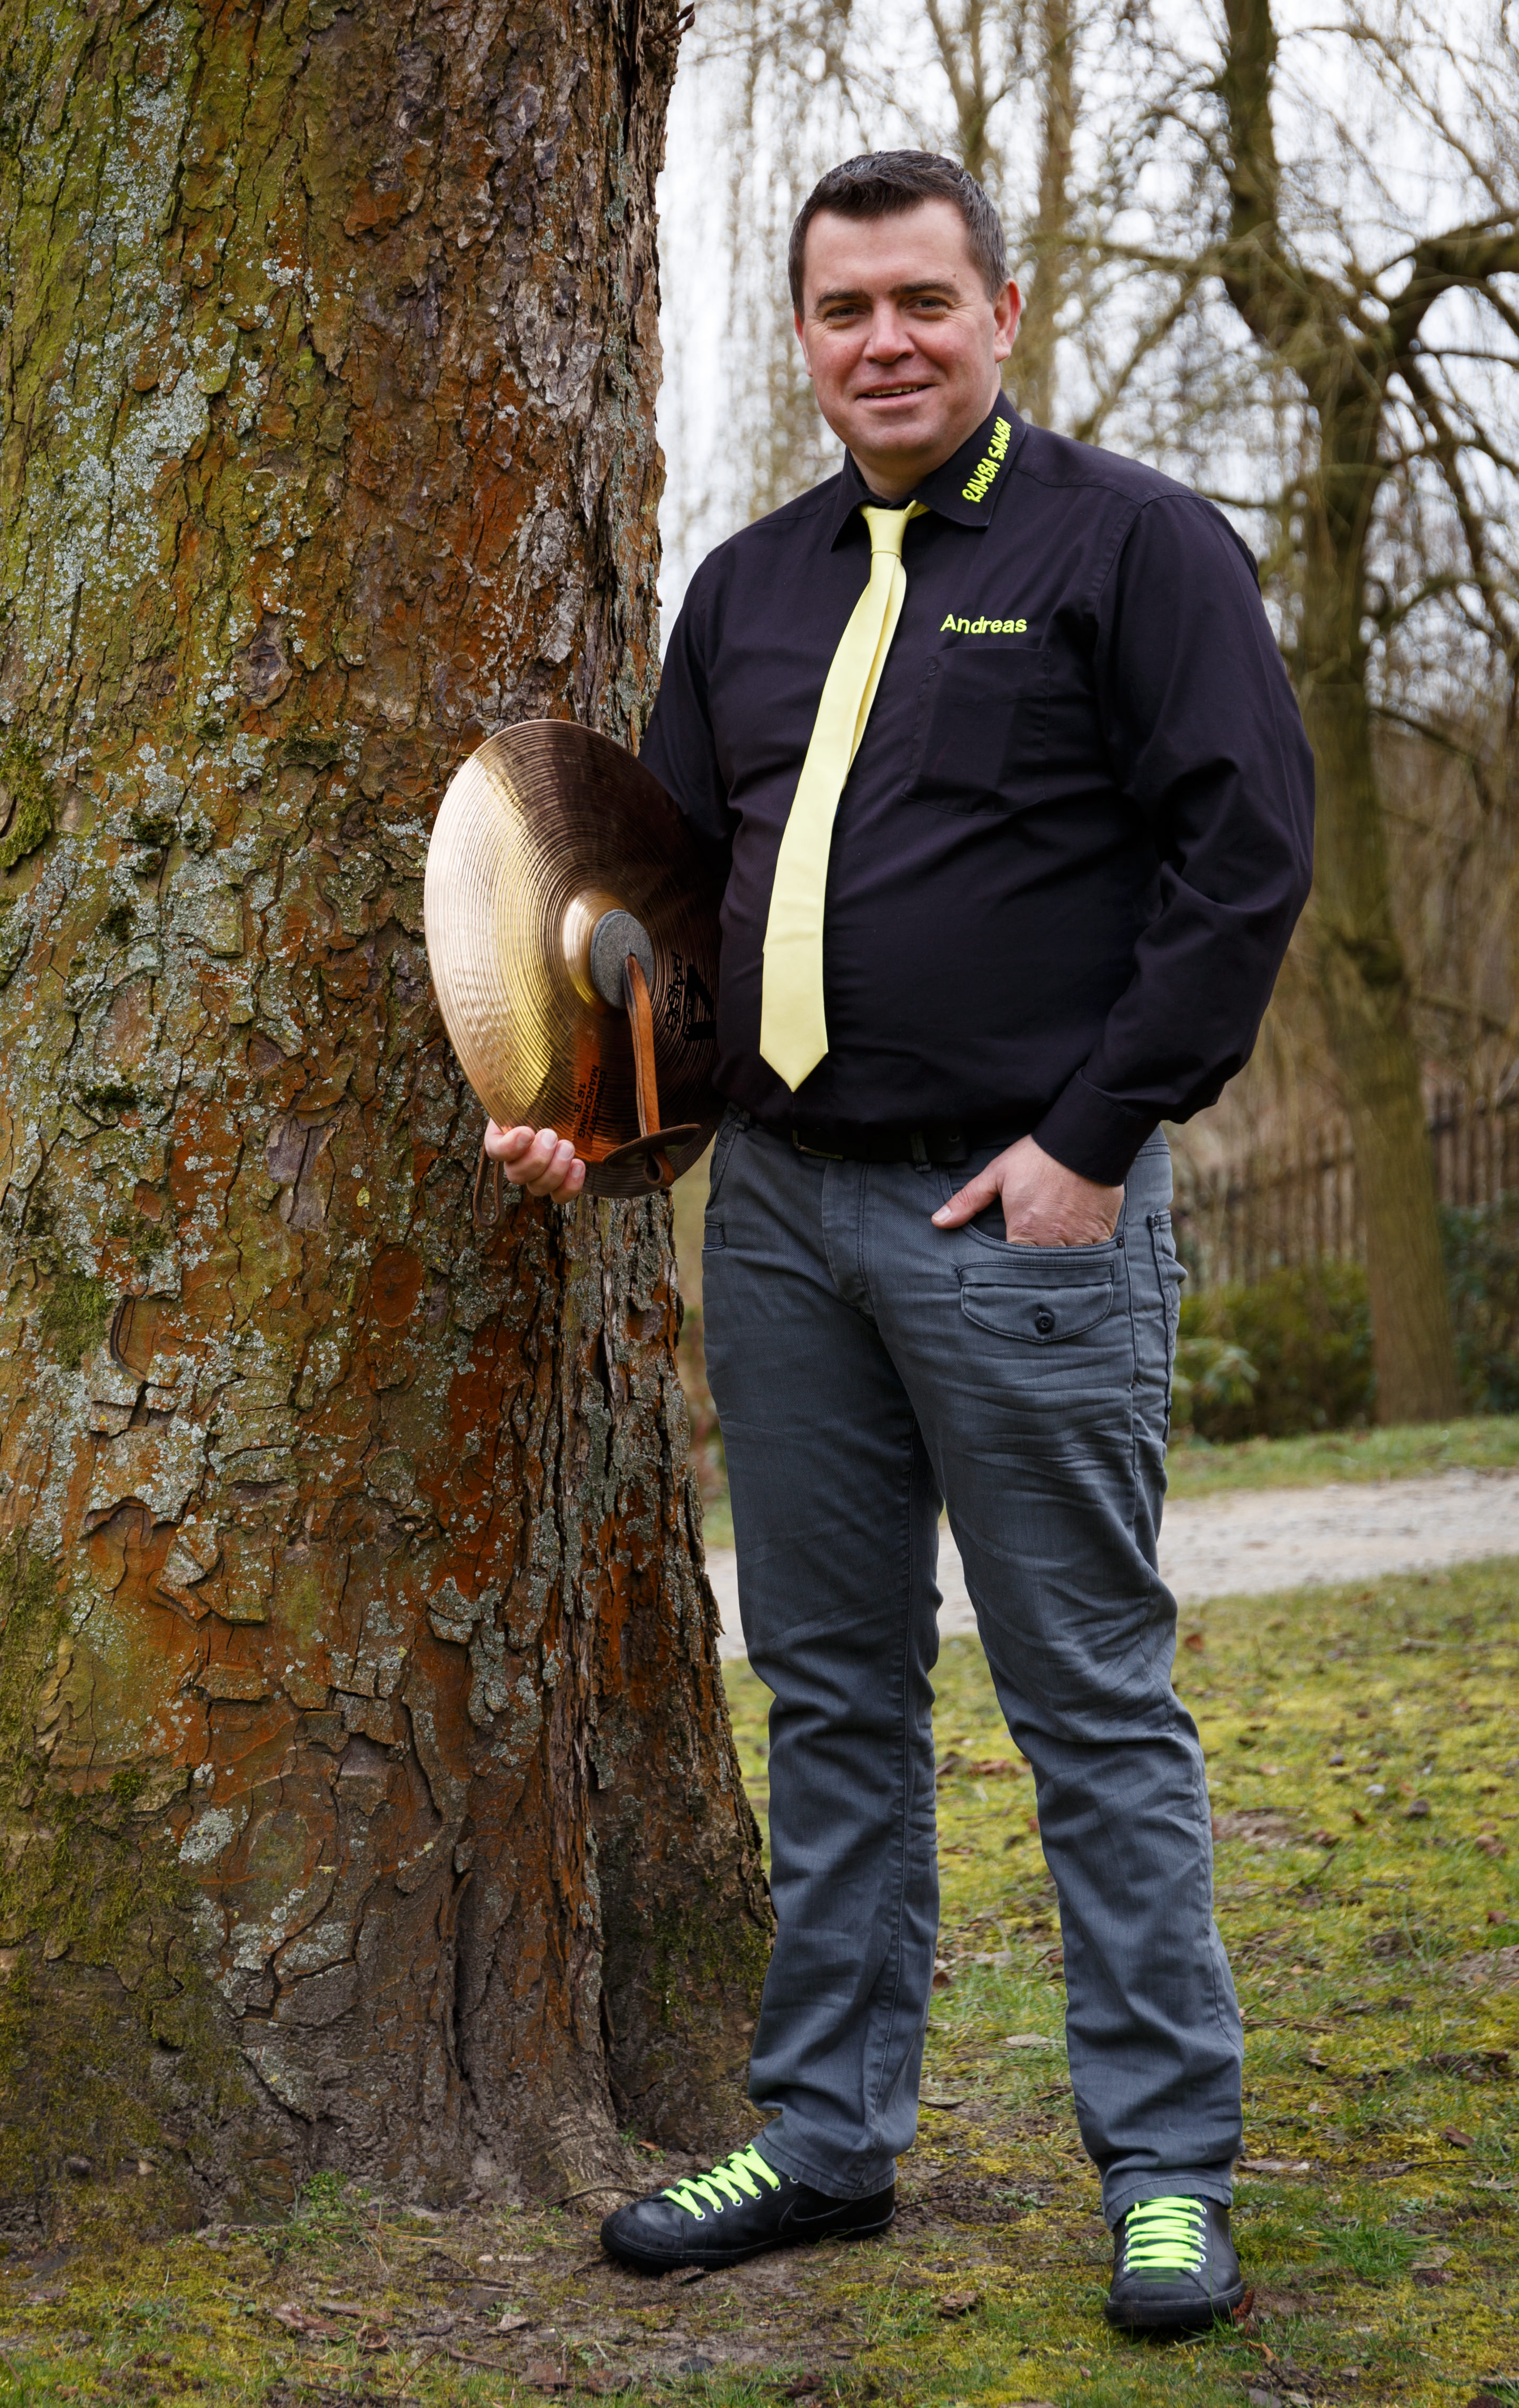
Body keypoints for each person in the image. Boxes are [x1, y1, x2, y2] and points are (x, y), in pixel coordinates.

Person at [484, 150, 1313, 2332]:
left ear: (1000, 311)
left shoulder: (1132, 548)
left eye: (924, 300)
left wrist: (1091, 1137)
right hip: (778, 1218)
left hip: (1013, 1214)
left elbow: (1242, 860)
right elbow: (660, 919)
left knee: (1088, 1703)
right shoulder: (744, 588)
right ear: (801, 335)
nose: (886, 342)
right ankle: (829, 2137)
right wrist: (588, 1118)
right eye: (844, 308)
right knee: (832, 1694)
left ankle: (1165, 2170)